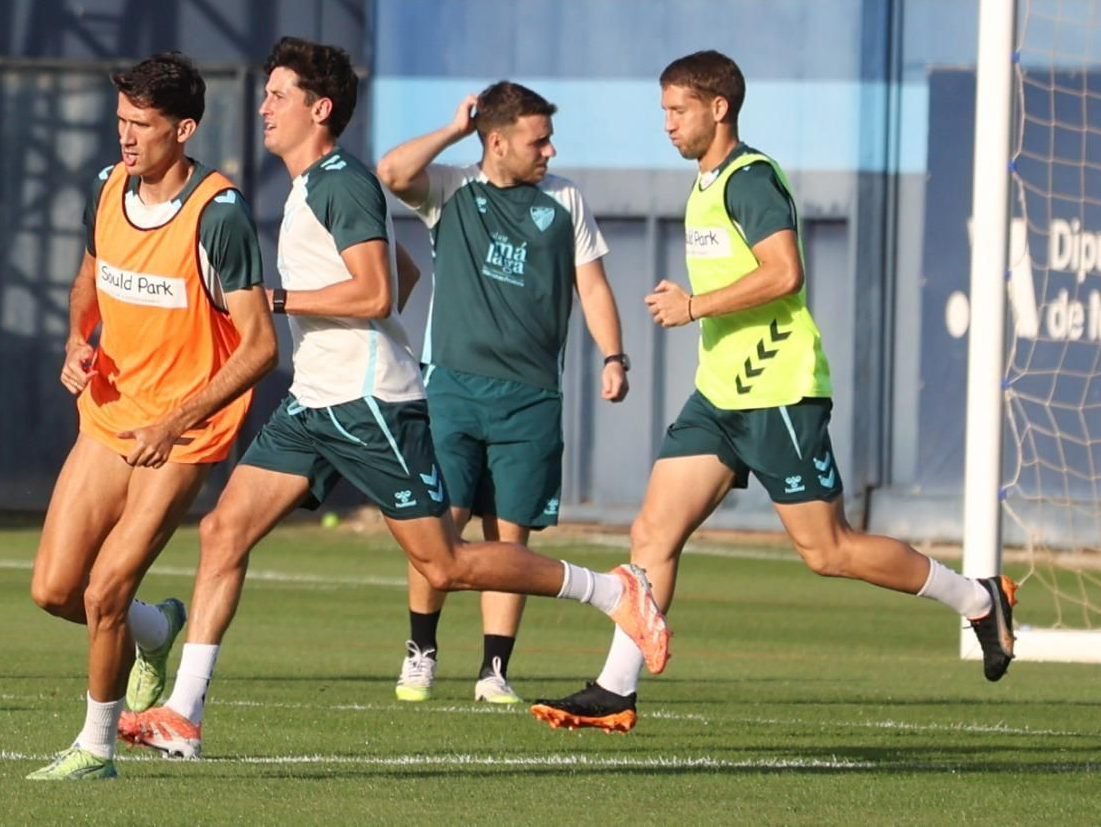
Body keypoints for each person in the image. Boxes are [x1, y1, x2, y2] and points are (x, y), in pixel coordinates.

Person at [119, 37, 670, 761]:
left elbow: (377, 292)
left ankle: (613, 590)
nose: (264, 106)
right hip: (316, 399)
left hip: (369, 403)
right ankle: (183, 715)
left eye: (278, 94)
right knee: (224, 532)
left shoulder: (339, 180)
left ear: (320, 109)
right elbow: (399, 274)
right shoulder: (313, 182)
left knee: (446, 565)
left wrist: (279, 298)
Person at [531, 50, 1018, 734]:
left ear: (718, 108)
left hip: (778, 391)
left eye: (678, 110)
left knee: (828, 551)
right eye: (663, 111)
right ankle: (617, 687)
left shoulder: (750, 179)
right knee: (652, 533)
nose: (666, 124)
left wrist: (697, 306)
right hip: (720, 396)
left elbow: (784, 272)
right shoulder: (705, 183)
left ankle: (977, 597)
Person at [24, 52, 277, 781]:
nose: (126, 138)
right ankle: (156, 628)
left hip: (185, 432)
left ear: (184, 128)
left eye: (141, 124)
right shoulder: (108, 188)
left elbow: (260, 345)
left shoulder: (218, 214)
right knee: (53, 591)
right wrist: (77, 341)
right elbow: (88, 284)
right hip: (110, 414)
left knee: (104, 591)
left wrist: (177, 420)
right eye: (120, 122)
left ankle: (96, 749)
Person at [376, 81, 629, 704]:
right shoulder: (453, 189)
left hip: (531, 397)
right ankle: (421, 650)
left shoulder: (565, 199)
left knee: (508, 539)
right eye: (536, 139)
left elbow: (592, 288)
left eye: (548, 138)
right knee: (439, 528)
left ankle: (494, 671)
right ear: (495, 141)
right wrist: (454, 129)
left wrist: (615, 356)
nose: (548, 149)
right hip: (453, 388)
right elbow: (391, 171)